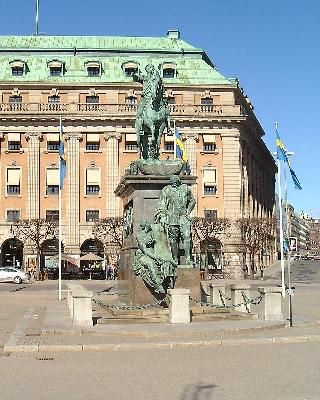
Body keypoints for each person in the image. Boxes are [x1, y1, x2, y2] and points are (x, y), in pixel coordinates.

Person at [155, 175, 196, 265]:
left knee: (187, 237)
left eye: (175, 181)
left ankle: (188, 258)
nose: (173, 183)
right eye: (172, 182)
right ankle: (175, 259)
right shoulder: (166, 189)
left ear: (178, 181)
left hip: (183, 217)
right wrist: (162, 215)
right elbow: (162, 203)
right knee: (173, 239)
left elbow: (192, 200)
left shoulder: (185, 188)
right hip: (172, 217)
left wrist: (188, 211)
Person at [133, 220, 176, 293]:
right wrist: (155, 257)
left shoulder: (152, 234)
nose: (148, 224)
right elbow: (144, 250)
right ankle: (158, 285)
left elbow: (161, 245)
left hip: (155, 254)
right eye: (146, 223)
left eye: (148, 223)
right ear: (143, 226)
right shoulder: (139, 235)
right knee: (151, 263)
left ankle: (167, 281)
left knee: (166, 262)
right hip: (142, 255)